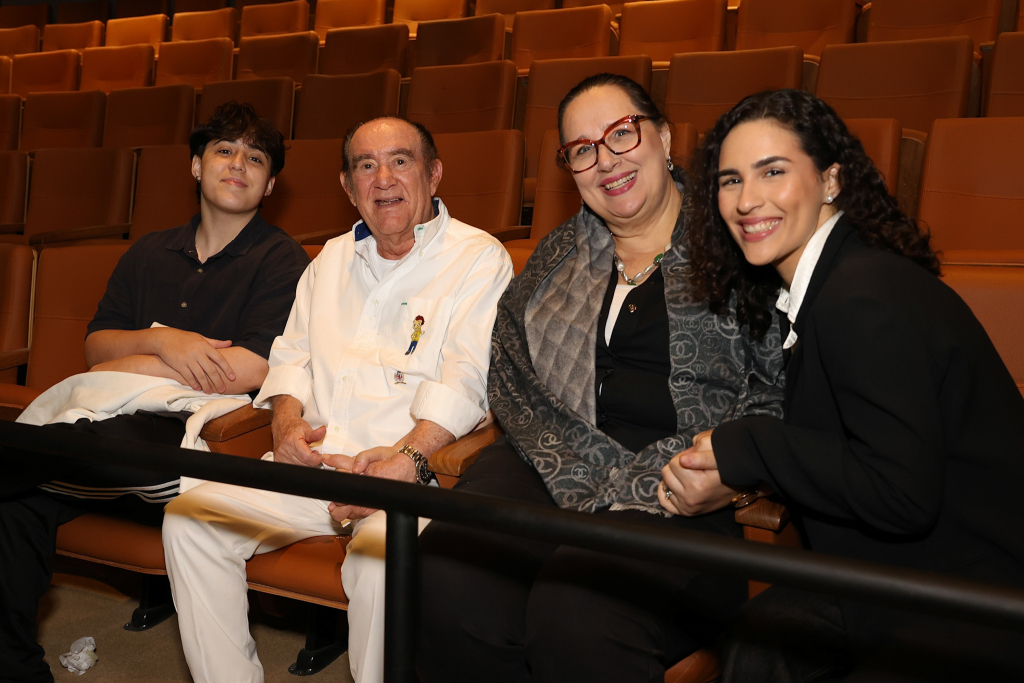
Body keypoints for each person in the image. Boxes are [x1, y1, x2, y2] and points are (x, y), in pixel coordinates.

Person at [415, 74, 785, 683]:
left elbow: (782, 383)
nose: (605, 160)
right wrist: (579, 462)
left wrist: (737, 467)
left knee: (577, 608)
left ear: (663, 138)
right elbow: (508, 369)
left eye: (621, 133)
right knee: (447, 571)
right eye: (582, 149)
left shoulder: (740, 242)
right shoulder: (556, 256)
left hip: (688, 482)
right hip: (552, 454)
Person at [680, 88, 1024, 681]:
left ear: (831, 179)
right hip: (904, 574)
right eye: (730, 180)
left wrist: (748, 446)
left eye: (773, 171)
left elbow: (900, 496)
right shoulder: (836, 278)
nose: (747, 199)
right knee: (755, 646)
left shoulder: (859, 297)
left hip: (979, 598)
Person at [162, 116, 513, 683]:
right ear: (348, 188)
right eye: (365, 166)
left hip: (406, 478)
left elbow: (470, 378)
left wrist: (406, 461)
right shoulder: (326, 261)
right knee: (189, 519)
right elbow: (291, 358)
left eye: (401, 161)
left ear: (434, 174)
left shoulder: (478, 258)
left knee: (380, 564)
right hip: (313, 466)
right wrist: (286, 424)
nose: (383, 178)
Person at [0, 102, 309, 682]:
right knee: (17, 501)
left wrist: (136, 357)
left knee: (41, 450)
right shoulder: (148, 251)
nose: (237, 164)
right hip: (99, 438)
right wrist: (168, 344)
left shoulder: (282, 260)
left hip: (195, 444)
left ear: (270, 184)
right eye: (223, 150)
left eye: (255, 157)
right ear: (195, 166)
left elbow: (247, 369)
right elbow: (96, 348)